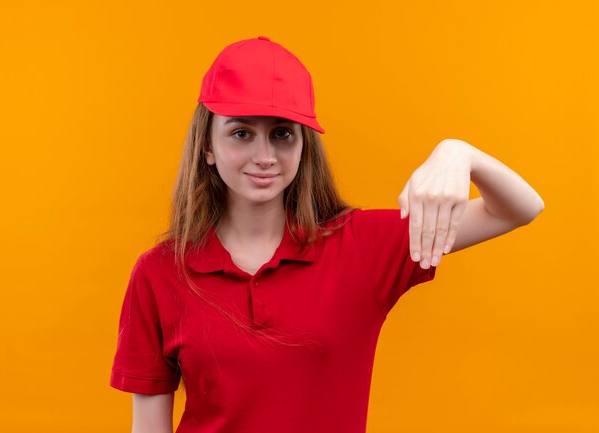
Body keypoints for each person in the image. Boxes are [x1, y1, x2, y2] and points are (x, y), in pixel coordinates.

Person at [110, 36, 544, 433]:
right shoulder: (159, 273)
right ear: (207, 146)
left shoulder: (362, 248)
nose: (264, 156)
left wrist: (459, 153)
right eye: (241, 133)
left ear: (304, 146)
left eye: (282, 134)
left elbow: (520, 209)